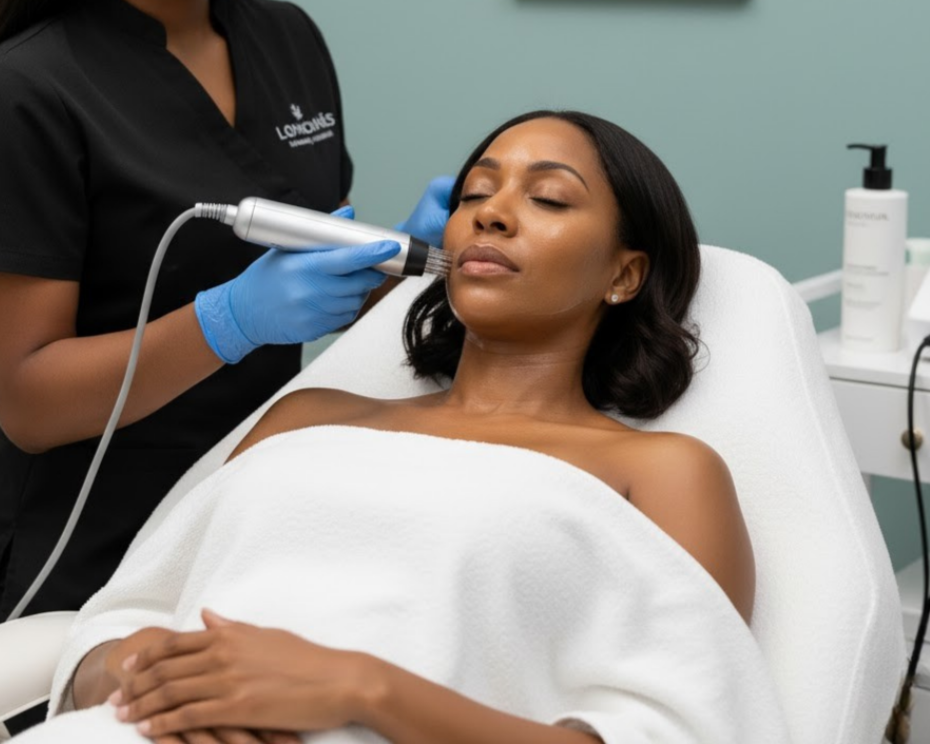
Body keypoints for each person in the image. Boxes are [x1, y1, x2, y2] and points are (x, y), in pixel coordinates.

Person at [16, 111, 788, 744]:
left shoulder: (661, 470)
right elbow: (119, 621)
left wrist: (362, 688)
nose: (489, 211)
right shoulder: (308, 416)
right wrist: (145, 669)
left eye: (548, 199)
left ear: (623, 275)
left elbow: (689, 727)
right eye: (474, 195)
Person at [0, 0, 452, 649]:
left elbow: (308, 290)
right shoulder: (28, 84)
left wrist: (399, 263)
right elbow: (28, 402)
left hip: (251, 511)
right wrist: (226, 321)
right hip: (90, 534)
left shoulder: (286, 37)